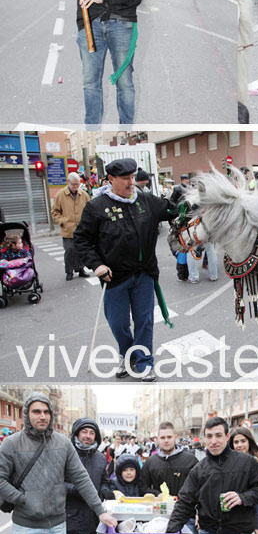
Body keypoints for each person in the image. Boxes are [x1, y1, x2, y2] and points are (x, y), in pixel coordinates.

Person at [0, 392, 117, 534]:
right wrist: (22, 499)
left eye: (46, 412)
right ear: (27, 414)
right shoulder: (11, 444)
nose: (42, 416)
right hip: (26, 527)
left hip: (56, 525)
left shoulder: (63, 444)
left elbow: (82, 478)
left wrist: (100, 512)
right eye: (36, 411)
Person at [74, 157, 178, 381]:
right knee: (119, 324)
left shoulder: (146, 201)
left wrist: (192, 199)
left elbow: (174, 210)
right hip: (114, 277)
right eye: (125, 179)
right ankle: (127, 354)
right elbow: (81, 240)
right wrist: (97, 265)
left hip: (144, 274)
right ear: (111, 179)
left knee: (145, 321)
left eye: (133, 177)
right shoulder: (96, 207)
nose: (131, 183)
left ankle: (144, 363)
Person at [51, 173, 90, 281]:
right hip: (68, 229)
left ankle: (81, 269)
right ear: (69, 182)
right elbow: (55, 212)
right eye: (73, 184)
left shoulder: (84, 194)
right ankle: (69, 271)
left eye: (77, 184)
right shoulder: (60, 194)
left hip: (81, 228)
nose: (75, 187)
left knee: (81, 249)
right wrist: (63, 221)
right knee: (70, 250)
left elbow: (90, 209)